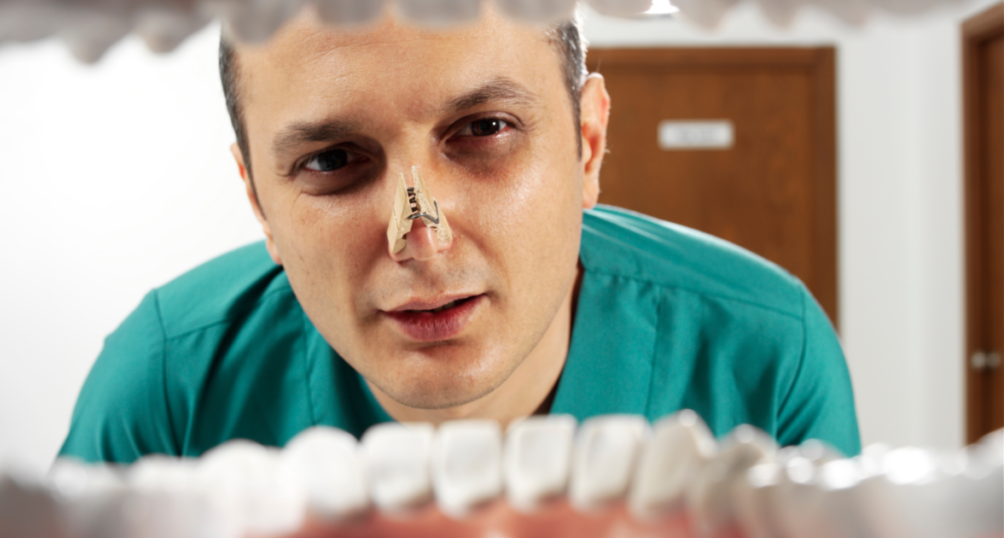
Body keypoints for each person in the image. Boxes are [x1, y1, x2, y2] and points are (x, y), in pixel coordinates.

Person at [59, 5, 859, 466]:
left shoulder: (765, 357)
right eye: (333, 160)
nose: (422, 240)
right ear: (260, 202)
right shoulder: (166, 390)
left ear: (586, 143)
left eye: (485, 129)